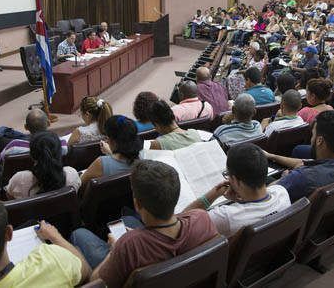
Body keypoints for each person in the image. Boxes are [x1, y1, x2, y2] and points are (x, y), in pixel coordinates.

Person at [70, 160, 219, 288]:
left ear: (137, 203)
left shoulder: (129, 245)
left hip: (124, 255)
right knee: (128, 220)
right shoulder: (202, 218)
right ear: (176, 195)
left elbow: (96, 283)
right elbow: (185, 216)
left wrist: (113, 251)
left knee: (79, 234)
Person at [183, 143, 291, 237]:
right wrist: (240, 199)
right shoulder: (282, 193)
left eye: (228, 174)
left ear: (235, 180)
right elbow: (257, 207)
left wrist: (215, 193)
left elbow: (184, 221)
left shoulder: (226, 217)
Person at [265, 111, 334, 202]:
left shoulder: (300, 178)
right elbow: (304, 162)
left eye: (313, 134)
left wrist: (283, 178)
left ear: (319, 141)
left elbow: (265, 195)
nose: (312, 139)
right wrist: (272, 156)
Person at [6, 131, 80, 199]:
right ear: (60, 152)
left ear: (31, 155)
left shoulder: (19, 178)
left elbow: (10, 199)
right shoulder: (72, 173)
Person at [0, 109, 68, 170]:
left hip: (20, 184)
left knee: (1, 130)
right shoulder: (61, 144)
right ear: (49, 123)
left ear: (26, 127)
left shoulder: (14, 146)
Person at [81, 116, 143, 183]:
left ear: (113, 141)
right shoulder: (142, 158)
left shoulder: (100, 163)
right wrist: (111, 153)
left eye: (107, 137)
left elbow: (80, 184)